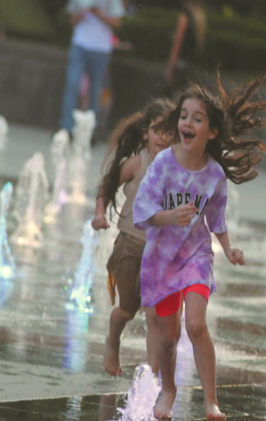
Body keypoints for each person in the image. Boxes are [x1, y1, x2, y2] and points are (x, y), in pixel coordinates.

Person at [132, 74, 266, 420]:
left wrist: (229, 248)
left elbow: (216, 219)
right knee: (167, 339)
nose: (187, 123)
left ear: (211, 132)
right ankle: (169, 390)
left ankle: (211, 401)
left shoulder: (214, 175)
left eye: (197, 118)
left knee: (195, 325)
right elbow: (142, 211)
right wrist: (171, 216)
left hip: (195, 256)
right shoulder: (163, 163)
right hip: (161, 260)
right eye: (183, 116)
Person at [92, 98, 175, 377]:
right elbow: (107, 184)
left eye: (168, 131)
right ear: (145, 133)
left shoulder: (179, 168)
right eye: (156, 130)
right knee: (128, 309)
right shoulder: (137, 164)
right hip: (130, 245)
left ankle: (153, 377)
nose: (161, 137)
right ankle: (113, 340)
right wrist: (99, 213)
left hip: (160, 252)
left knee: (154, 314)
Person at [60, 0, 125, 137]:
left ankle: (91, 130)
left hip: (101, 49)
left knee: (96, 90)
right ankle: (66, 127)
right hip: (80, 44)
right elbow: (72, 20)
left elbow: (117, 23)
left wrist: (99, 14)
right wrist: (82, 14)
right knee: (72, 84)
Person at [163, 0, 206, 97]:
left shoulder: (185, 17)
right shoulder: (198, 19)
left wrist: (170, 67)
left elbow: (177, 43)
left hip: (179, 65)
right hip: (189, 66)